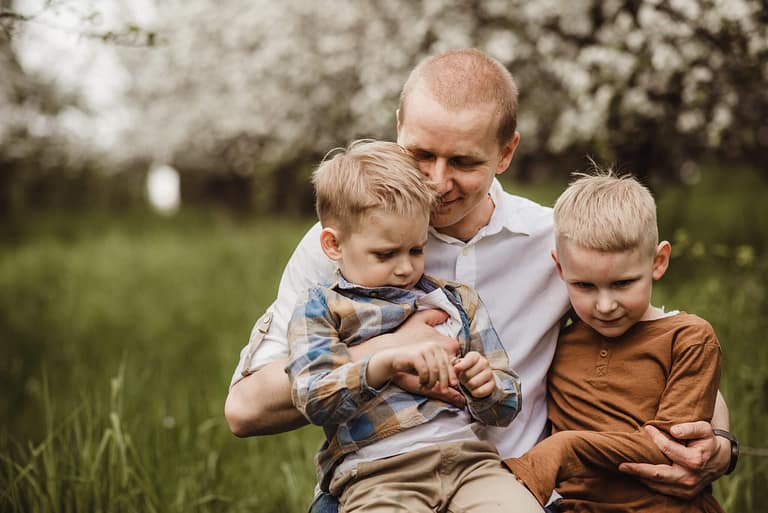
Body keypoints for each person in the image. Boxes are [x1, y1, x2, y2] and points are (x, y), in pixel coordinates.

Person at [224, 49, 734, 512]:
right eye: (420, 154)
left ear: (506, 152)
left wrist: (719, 443)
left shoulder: (551, 241)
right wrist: (388, 351)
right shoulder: (342, 241)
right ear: (398, 126)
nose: (438, 182)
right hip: (377, 482)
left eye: (465, 162)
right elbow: (245, 411)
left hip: (520, 488)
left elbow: (657, 342)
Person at [286, 139, 542, 512]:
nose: (406, 268)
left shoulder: (453, 300)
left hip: (469, 461)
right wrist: (383, 362)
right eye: (385, 254)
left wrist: (485, 386)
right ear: (333, 245)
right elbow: (312, 396)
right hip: (378, 473)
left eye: (417, 250)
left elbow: (505, 402)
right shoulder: (321, 308)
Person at [503, 170, 725, 512]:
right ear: (560, 270)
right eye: (584, 286)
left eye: (623, 284)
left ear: (659, 261)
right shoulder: (559, 333)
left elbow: (668, 448)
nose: (605, 306)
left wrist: (565, 449)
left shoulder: (688, 337)